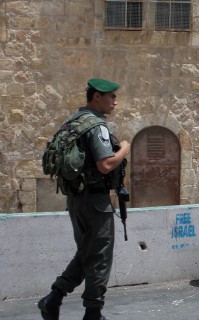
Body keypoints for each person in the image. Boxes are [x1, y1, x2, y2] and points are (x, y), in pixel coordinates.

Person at [38, 78, 131, 320]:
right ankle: (93, 312)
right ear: (97, 97)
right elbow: (106, 164)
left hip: (76, 200)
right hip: (95, 203)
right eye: (111, 96)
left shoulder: (73, 122)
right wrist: (124, 148)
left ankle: (54, 298)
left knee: (88, 252)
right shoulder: (96, 126)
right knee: (99, 255)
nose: (115, 101)